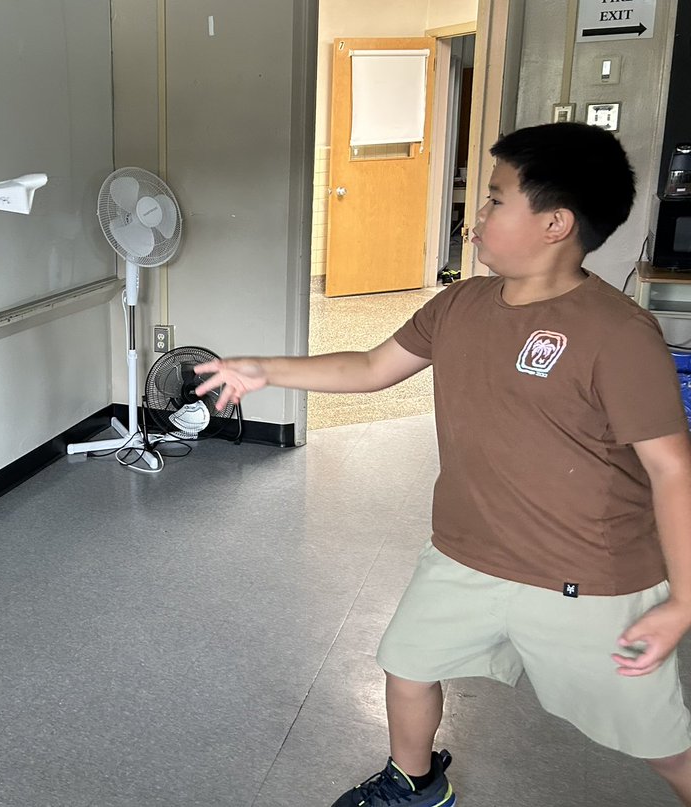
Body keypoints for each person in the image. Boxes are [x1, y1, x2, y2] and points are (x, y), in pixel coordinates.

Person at [196, 122, 691, 806]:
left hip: (586, 579)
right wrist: (263, 369)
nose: (475, 217)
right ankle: (417, 783)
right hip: (465, 555)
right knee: (405, 665)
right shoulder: (460, 303)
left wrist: (683, 602)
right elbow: (371, 367)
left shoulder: (617, 333)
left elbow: (672, 470)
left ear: (554, 223)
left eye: (494, 201)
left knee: (659, 742)